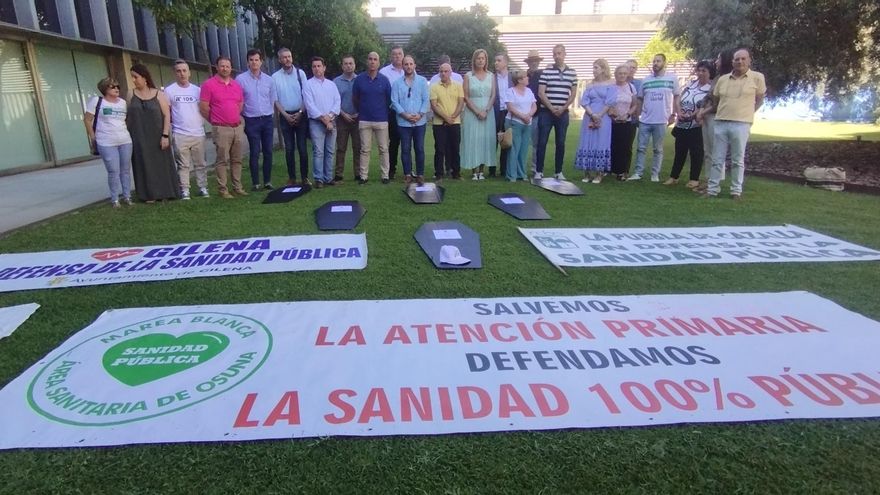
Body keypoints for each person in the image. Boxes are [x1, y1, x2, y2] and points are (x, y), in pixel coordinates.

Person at [703, 48, 765, 200]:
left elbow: (760, 99)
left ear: (749, 60)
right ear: (732, 62)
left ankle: (736, 191)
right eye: (737, 59)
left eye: (743, 59)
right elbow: (716, 100)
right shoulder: (723, 79)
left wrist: (748, 113)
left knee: (738, 160)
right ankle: (712, 190)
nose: (740, 62)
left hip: (742, 124)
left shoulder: (757, 78)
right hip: (721, 122)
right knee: (717, 159)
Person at [127, 64, 179, 203]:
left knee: (161, 163)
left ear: (144, 77)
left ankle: (165, 191)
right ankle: (148, 194)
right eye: (132, 77)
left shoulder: (159, 94)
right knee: (143, 164)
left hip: (157, 134)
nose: (133, 80)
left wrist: (165, 135)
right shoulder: (131, 94)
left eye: (135, 77)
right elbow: (128, 116)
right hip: (138, 135)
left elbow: (166, 115)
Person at [627, 53, 681, 182]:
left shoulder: (672, 79)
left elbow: (676, 97)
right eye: (654, 61)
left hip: (661, 120)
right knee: (641, 148)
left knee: (658, 149)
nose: (655, 63)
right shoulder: (646, 80)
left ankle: (655, 174)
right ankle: (638, 173)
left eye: (658, 61)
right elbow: (639, 99)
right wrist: (637, 114)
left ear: (664, 63)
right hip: (645, 120)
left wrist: (674, 114)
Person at [199, 55, 247, 199]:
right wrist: (215, 121)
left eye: (227, 66)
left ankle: (237, 187)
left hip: (236, 127)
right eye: (222, 66)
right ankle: (223, 189)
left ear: (231, 68)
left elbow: (240, 105)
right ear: (216, 67)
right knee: (222, 160)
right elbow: (204, 108)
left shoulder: (236, 85)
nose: (225, 68)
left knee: (237, 159)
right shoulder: (208, 85)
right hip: (221, 128)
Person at [665, 60, 715, 188]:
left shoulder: (710, 88)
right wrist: (678, 111)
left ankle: (694, 179)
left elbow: (708, 104)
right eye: (699, 70)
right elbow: (679, 99)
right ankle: (674, 176)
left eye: (704, 71)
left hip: (697, 124)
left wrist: (694, 115)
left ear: (710, 73)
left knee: (696, 152)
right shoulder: (690, 85)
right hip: (682, 123)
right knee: (680, 151)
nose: (700, 73)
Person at [84, 77, 132, 208]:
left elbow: (126, 119)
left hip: (125, 140)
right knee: (113, 170)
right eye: (113, 87)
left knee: (126, 170)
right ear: (105, 89)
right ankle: (115, 199)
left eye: (118, 86)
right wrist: (93, 137)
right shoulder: (97, 101)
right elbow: (87, 120)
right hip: (106, 141)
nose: (117, 89)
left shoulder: (122, 102)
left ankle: (127, 196)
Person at [165, 59, 208, 199]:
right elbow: (167, 112)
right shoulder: (169, 91)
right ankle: (185, 190)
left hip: (198, 133)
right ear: (174, 73)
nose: (182, 74)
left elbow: (203, 109)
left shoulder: (197, 90)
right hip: (180, 133)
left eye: (184, 70)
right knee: (183, 164)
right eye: (178, 71)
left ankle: (202, 187)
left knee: (200, 163)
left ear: (189, 73)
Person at [236, 49, 277, 191]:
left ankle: (267, 181)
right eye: (251, 60)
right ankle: (255, 183)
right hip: (251, 120)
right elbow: (238, 100)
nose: (254, 62)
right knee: (254, 151)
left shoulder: (269, 80)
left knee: (268, 151)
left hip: (266, 119)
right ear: (248, 62)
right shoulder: (240, 80)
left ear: (261, 62)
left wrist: (269, 114)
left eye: (257, 60)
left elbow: (272, 99)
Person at [694, 49, 734, 193]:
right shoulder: (718, 77)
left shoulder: (728, 79)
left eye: (718, 59)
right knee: (708, 151)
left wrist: (703, 111)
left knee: (717, 152)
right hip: (707, 117)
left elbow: (719, 103)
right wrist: (700, 111)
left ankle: (714, 182)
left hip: (716, 117)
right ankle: (708, 180)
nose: (716, 62)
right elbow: (708, 96)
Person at [536, 44, 577, 180]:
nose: (557, 56)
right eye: (554, 54)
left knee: (561, 142)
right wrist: (551, 108)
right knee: (542, 142)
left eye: (559, 53)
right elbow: (541, 93)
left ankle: (558, 171)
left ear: (565, 54)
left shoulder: (572, 73)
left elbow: (573, 94)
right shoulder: (546, 72)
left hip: (563, 113)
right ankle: (539, 171)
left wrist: (563, 108)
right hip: (546, 112)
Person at [272, 47, 310, 186]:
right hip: (285, 116)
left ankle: (305, 177)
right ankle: (292, 178)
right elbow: (275, 100)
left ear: (292, 57)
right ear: (279, 59)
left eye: (289, 56)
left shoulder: (301, 74)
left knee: (302, 148)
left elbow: (306, 96)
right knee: (289, 149)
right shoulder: (275, 77)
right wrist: (286, 115)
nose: (287, 59)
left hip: (300, 115)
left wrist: (300, 113)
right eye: (284, 57)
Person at [353, 52, 392, 184]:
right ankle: (363, 176)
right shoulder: (359, 79)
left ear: (379, 63)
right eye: (370, 59)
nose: (372, 61)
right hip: (364, 119)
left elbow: (388, 100)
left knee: (384, 149)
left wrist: (382, 111)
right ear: (367, 61)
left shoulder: (384, 80)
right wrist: (363, 110)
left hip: (381, 119)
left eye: (375, 59)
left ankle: (385, 175)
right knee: (365, 149)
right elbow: (355, 99)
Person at [574, 59, 616, 183]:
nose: (593, 70)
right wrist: (592, 114)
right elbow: (584, 101)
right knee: (587, 142)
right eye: (593, 67)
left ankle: (599, 173)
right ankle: (587, 173)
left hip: (604, 117)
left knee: (601, 142)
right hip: (589, 115)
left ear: (603, 69)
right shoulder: (590, 85)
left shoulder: (611, 84)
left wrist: (599, 115)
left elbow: (610, 101)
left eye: (596, 67)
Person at [302, 56, 341, 189]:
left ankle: (328, 178)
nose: (317, 68)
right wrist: (324, 119)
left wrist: (329, 117)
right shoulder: (308, 84)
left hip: (331, 121)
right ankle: (319, 179)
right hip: (316, 122)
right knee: (318, 151)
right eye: (314, 66)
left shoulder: (332, 84)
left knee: (330, 151)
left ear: (324, 68)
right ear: (312, 69)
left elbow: (337, 102)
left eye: (319, 66)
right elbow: (310, 105)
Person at [391, 55, 429, 184]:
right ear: (402, 66)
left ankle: (420, 174)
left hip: (420, 121)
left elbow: (426, 100)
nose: (408, 66)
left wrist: (420, 114)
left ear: (414, 65)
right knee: (405, 149)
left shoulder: (422, 81)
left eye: (411, 64)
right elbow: (394, 102)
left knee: (419, 148)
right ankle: (407, 174)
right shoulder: (397, 83)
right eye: (406, 64)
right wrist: (405, 115)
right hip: (403, 122)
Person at [461, 48, 496, 180]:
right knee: (473, 139)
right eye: (478, 58)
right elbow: (466, 96)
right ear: (474, 60)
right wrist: (477, 111)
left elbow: (493, 95)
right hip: (472, 112)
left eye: (483, 58)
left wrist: (486, 110)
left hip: (488, 111)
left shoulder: (491, 76)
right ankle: (474, 171)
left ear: (486, 60)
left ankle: (482, 170)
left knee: (485, 140)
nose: (481, 60)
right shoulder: (468, 76)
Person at [429, 63, 464, 180]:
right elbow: (434, 105)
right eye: (441, 71)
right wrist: (446, 118)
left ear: (450, 72)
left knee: (455, 148)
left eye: (446, 71)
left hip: (455, 122)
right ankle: (439, 173)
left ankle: (456, 173)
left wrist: (452, 117)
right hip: (439, 124)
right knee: (439, 149)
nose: (443, 73)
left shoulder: (458, 86)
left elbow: (461, 103)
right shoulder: (434, 87)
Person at [503, 69, 536, 182]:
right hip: (514, 123)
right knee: (514, 149)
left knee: (524, 149)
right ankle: (511, 175)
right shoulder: (510, 91)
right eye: (526, 77)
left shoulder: (529, 91)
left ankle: (521, 174)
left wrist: (529, 115)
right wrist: (523, 116)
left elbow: (534, 106)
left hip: (527, 123)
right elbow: (510, 107)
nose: (528, 78)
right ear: (519, 80)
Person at [608, 64, 639, 180]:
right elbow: (607, 103)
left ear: (627, 75)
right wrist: (612, 113)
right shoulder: (611, 87)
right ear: (616, 75)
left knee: (625, 147)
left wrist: (628, 114)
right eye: (620, 73)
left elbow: (635, 104)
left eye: (624, 74)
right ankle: (611, 169)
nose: (622, 76)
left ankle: (623, 171)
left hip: (627, 121)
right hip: (612, 121)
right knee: (613, 145)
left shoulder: (631, 87)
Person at [333, 55, 360, 183]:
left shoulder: (360, 80)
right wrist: (343, 114)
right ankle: (339, 174)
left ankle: (358, 173)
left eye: (351, 63)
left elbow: (364, 99)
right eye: (346, 63)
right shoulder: (336, 82)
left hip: (358, 118)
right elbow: (334, 102)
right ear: (342, 66)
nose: (348, 66)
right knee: (341, 148)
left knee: (358, 147)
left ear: (354, 65)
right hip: (341, 119)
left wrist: (358, 113)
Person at [380, 46, 405, 180]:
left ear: (403, 55)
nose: (397, 56)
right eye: (394, 54)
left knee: (407, 142)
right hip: (392, 112)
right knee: (394, 142)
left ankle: (408, 170)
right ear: (391, 57)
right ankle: (391, 170)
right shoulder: (384, 72)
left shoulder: (409, 70)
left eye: (399, 54)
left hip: (408, 112)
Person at [492, 53, 514, 178]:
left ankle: (504, 169)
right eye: (495, 61)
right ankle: (492, 169)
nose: (496, 63)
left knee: (507, 140)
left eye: (499, 60)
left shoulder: (512, 78)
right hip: (496, 112)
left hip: (509, 112)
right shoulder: (492, 78)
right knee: (493, 140)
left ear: (506, 63)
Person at [524, 50, 544, 173]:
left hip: (537, 113)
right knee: (523, 143)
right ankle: (520, 168)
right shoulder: (523, 76)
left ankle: (535, 167)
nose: (534, 63)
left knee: (536, 143)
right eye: (531, 61)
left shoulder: (543, 75)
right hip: (522, 114)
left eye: (536, 61)